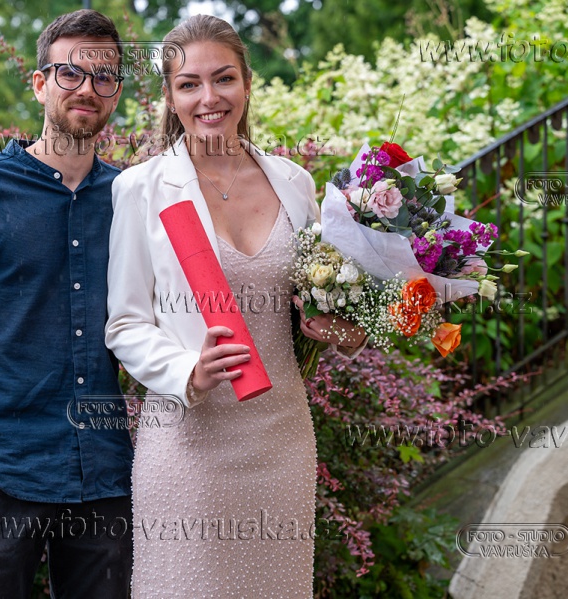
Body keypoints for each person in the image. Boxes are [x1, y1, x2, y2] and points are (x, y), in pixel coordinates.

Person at [105, 15, 368, 598]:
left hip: (281, 438)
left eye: (223, 78)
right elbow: (124, 322)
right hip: (188, 443)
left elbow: (323, 298)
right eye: (189, 84)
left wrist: (345, 328)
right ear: (170, 97)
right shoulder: (141, 188)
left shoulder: (295, 184)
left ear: (247, 82)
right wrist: (186, 370)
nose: (209, 98)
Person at [0, 10, 133, 598]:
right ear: (39, 83)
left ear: (115, 94)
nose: (87, 88)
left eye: (104, 77)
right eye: (70, 73)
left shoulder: (130, 197)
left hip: (104, 472)